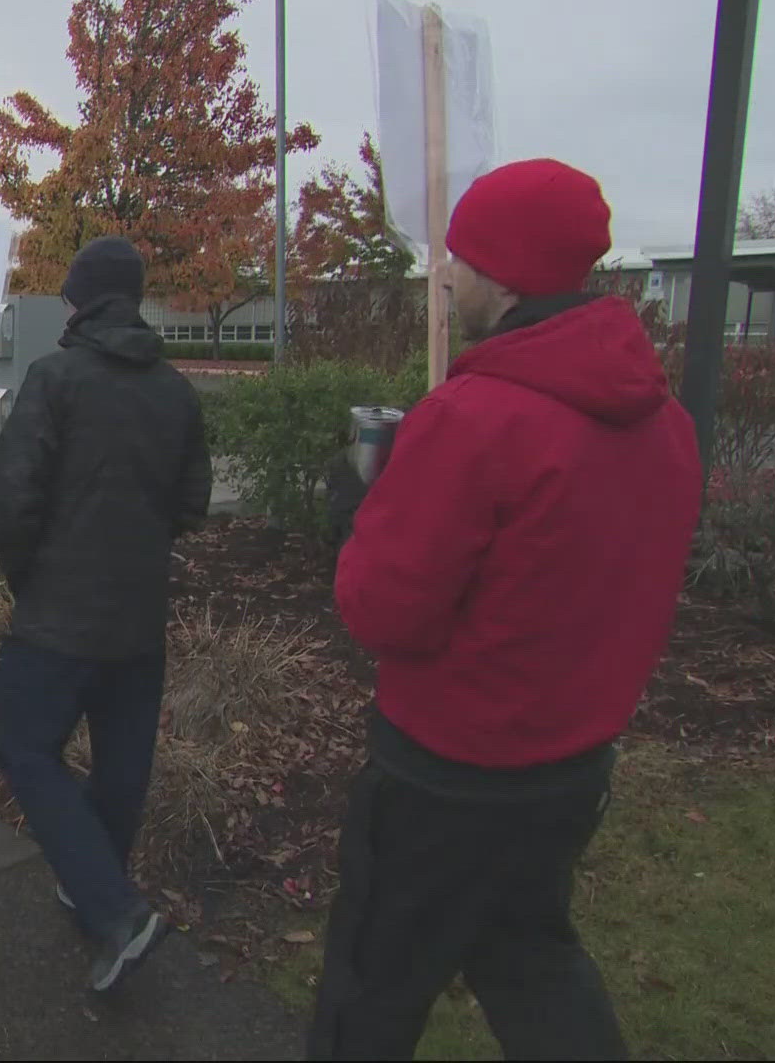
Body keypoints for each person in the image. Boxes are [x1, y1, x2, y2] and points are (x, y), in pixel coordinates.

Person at [306, 159, 702, 1060]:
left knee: (372, 986)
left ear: (504, 274)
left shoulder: (475, 419)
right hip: (568, 767)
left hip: (446, 777)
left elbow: (384, 612)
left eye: (459, 260)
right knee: (529, 958)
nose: (445, 278)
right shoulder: (664, 423)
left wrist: (360, 514)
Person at [0, 235, 212, 992]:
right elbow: (192, 504)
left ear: (77, 300)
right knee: (121, 769)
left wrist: (31, 579)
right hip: (138, 619)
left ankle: (115, 912)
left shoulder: (54, 379)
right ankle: (96, 892)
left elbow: (11, 498)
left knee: (23, 748)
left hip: (56, 619)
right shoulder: (175, 391)